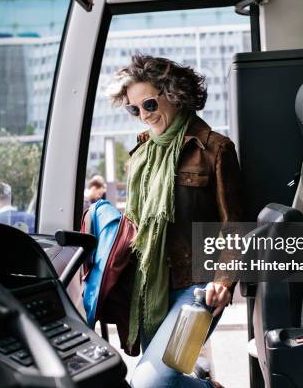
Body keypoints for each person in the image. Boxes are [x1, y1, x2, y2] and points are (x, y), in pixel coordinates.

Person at [107, 55, 242, 388]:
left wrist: (224, 282)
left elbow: (235, 226)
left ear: (175, 94)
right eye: (134, 109)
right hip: (151, 286)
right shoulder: (140, 153)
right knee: (159, 380)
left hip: (198, 287)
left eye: (150, 103)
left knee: (148, 384)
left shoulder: (214, 149)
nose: (144, 115)